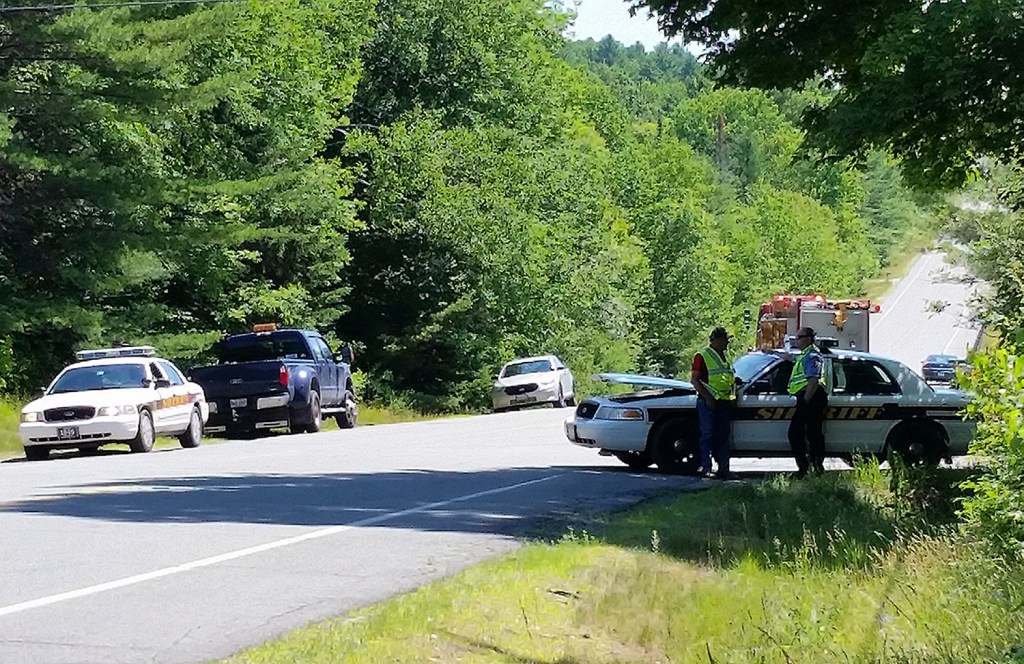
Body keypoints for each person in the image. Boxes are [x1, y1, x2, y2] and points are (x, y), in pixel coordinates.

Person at [767, 327, 828, 478]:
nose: (797, 340)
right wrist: (773, 353)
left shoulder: (813, 355)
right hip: (808, 397)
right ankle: (809, 468)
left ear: (808, 338)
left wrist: (805, 401)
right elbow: (790, 358)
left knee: (803, 433)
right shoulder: (805, 355)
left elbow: (813, 381)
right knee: (807, 433)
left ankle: (811, 468)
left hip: (812, 397)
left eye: (799, 337)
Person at [691, 327, 737, 479]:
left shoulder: (726, 356)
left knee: (723, 437)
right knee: (707, 435)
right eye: (724, 340)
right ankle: (706, 468)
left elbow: (729, 378)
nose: (726, 343)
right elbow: (695, 380)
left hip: (724, 402)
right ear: (716, 340)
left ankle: (724, 469)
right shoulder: (702, 355)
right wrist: (708, 398)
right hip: (708, 403)